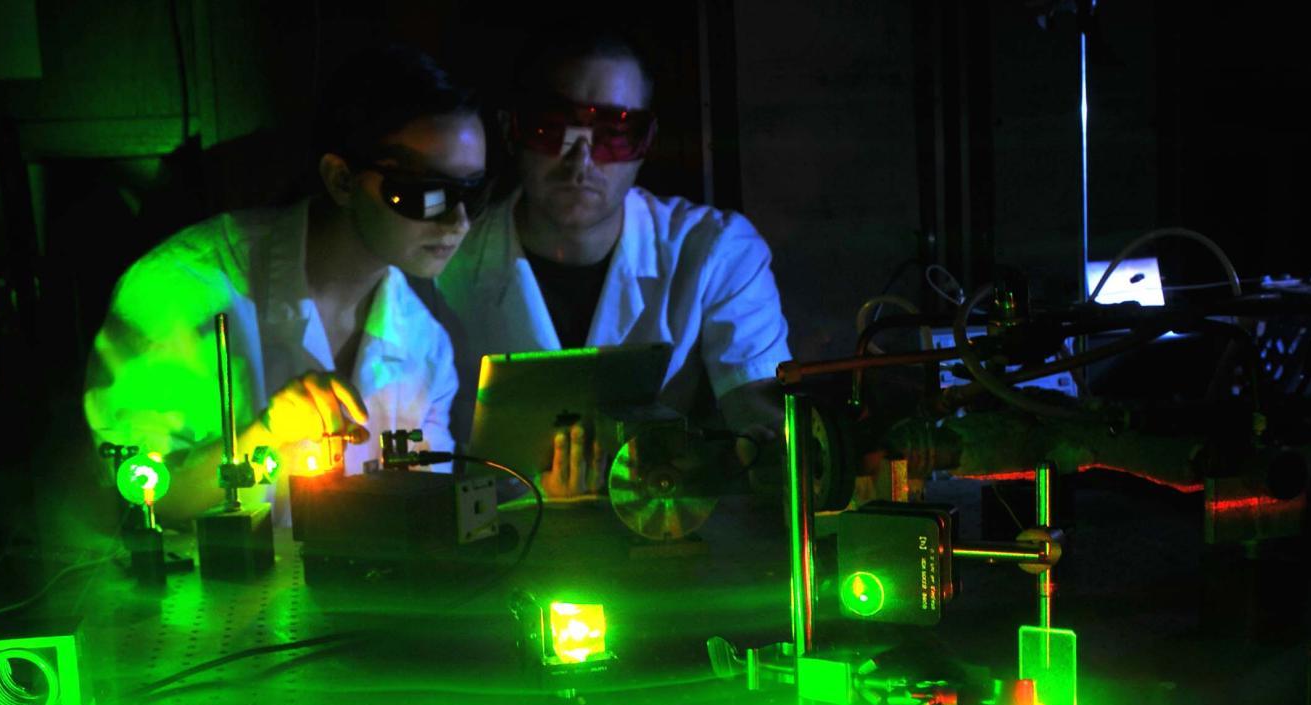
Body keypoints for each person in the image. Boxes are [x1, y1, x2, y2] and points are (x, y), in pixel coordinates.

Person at [85, 43, 487, 523]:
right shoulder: (178, 293)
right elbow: (126, 506)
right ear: (341, 180)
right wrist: (264, 434)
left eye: (472, 191)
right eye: (426, 193)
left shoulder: (425, 345)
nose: (458, 221)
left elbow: (424, 519)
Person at [437, 26, 791, 498]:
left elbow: (759, 409)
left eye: (615, 133)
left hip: (661, 533)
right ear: (510, 130)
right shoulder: (443, 262)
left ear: (645, 142)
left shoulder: (715, 250)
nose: (580, 160)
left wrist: (759, 452)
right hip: (491, 542)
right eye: (551, 128)